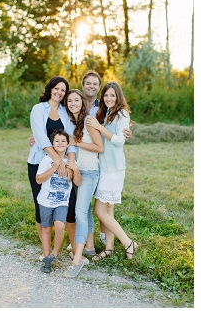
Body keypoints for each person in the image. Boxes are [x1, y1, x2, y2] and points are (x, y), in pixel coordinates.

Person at [28, 71, 132, 247]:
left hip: (94, 163)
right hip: (58, 162)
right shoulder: (60, 108)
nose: (91, 86)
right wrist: (41, 141)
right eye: (88, 83)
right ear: (83, 86)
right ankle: (60, 245)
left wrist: (125, 131)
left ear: (98, 87)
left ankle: (103, 240)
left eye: (95, 84)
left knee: (96, 206)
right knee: (60, 205)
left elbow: (107, 130)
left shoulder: (102, 107)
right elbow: (52, 134)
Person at [85, 81, 139, 261]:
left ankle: (128, 242)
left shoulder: (122, 113)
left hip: (114, 169)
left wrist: (99, 127)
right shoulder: (107, 113)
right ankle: (109, 248)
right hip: (105, 167)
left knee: (99, 211)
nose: (108, 98)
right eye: (106, 95)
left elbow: (118, 141)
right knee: (108, 210)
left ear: (118, 97)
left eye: (112, 95)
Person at [27, 76, 76, 262]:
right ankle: (45, 251)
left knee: (67, 204)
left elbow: (70, 140)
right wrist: (59, 162)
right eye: (56, 88)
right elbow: (41, 139)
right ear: (50, 89)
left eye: (63, 90)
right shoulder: (38, 109)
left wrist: (69, 163)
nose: (59, 92)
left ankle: (63, 246)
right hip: (39, 162)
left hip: (63, 165)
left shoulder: (65, 112)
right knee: (41, 206)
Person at [64, 89, 104, 277]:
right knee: (85, 211)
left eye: (76, 100)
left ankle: (77, 259)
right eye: (69, 101)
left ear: (82, 101)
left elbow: (99, 147)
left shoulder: (88, 120)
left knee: (80, 212)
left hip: (90, 173)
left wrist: (76, 143)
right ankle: (89, 247)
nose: (73, 103)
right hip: (78, 172)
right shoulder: (72, 122)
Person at [34, 129, 82, 273]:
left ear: (68, 144)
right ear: (52, 144)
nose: (60, 143)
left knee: (60, 226)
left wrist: (76, 170)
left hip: (62, 202)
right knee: (47, 228)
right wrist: (54, 167)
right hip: (45, 202)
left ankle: (53, 255)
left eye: (63, 141)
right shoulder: (47, 160)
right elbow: (38, 179)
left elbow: (78, 183)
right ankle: (46, 256)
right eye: (57, 141)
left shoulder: (70, 162)